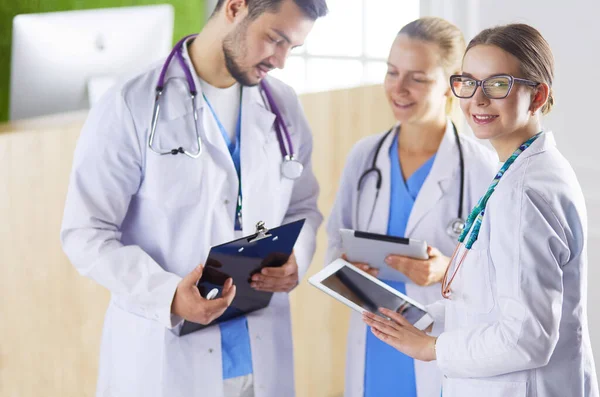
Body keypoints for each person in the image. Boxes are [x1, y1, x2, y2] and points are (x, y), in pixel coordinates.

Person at [60, 0, 327, 396]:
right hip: (166, 358)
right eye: (275, 39)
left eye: (293, 47)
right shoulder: (131, 105)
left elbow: (302, 206)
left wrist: (297, 259)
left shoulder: (283, 105)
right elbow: (85, 233)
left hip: (256, 353)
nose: (281, 61)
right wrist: (167, 294)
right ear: (236, 8)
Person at [362, 23, 600, 397]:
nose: (477, 99)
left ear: (537, 97)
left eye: (497, 84)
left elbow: (526, 338)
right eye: (469, 82)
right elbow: (490, 300)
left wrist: (431, 348)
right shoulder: (520, 170)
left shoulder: (525, 191)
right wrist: (425, 318)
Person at [324, 17, 497, 397]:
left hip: (439, 345)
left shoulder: (481, 168)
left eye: (417, 78)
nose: (398, 88)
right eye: (392, 72)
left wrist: (445, 271)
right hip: (373, 342)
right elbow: (333, 244)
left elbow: (501, 274)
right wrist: (345, 267)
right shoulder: (364, 156)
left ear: (454, 85)